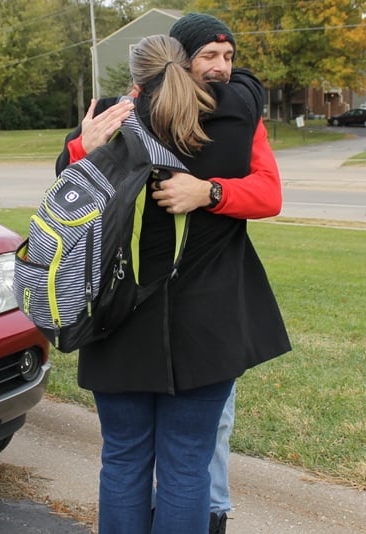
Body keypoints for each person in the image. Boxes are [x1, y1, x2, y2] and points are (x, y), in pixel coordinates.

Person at [56, 13, 290, 534]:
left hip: (115, 318)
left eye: (228, 57)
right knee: (187, 468)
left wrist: (78, 150)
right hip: (205, 327)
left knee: (122, 461)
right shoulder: (238, 119)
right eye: (210, 56)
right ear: (182, 62)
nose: (224, 68)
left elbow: (66, 186)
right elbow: (249, 96)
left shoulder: (110, 125)